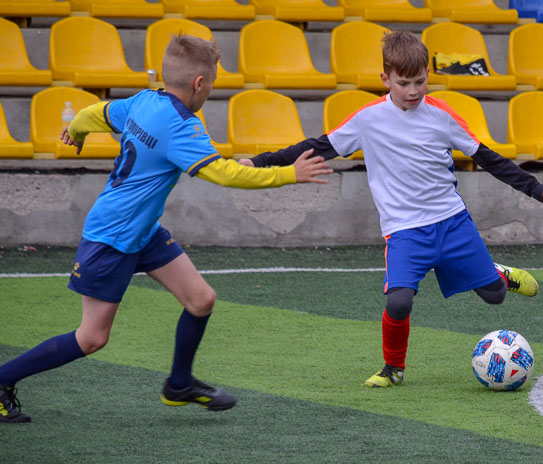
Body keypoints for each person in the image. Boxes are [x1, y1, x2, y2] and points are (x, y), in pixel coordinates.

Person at [0, 34, 332, 423]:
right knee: (92, 338)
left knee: (201, 300)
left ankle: (178, 384)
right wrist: (289, 174)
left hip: (142, 232)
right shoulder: (180, 127)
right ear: (199, 84)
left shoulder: (145, 100)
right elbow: (224, 174)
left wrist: (76, 130)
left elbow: (98, 112)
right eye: (212, 82)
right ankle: (3, 378)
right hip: (112, 238)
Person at [239, 31, 543, 388]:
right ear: (385, 79)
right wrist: (260, 162)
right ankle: (393, 369)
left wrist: (536, 188)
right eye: (403, 83)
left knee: (495, 297)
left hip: (452, 223)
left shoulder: (442, 115)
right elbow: (317, 146)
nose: (413, 91)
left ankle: (498, 275)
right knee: (399, 302)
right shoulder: (367, 119)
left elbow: (487, 158)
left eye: (420, 81)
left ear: (428, 75)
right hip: (405, 231)